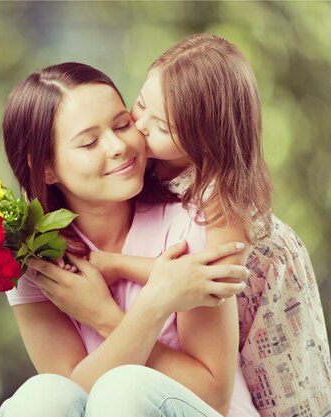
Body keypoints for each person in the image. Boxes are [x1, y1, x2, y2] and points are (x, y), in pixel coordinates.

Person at [0, 62, 258, 417]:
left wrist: (105, 316)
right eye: (89, 142)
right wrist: (153, 304)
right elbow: (71, 399)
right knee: (40, 397)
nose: (118, 146)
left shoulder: (194, 225)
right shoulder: (34, 260)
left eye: (123, 124)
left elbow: (214, 395)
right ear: (45, 167)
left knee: (125, 389)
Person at [88, 34, 331, 416]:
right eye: (140, 104)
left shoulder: (225, 196)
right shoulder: (154, 160)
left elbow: (205, 279)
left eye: (163, 127)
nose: (142, 127)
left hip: (267, 324)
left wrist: (116, 266)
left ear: (207, 140)